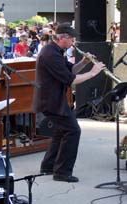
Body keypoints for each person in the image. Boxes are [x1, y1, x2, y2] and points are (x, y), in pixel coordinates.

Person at [33, 23, 105, 182]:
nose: (74, 40)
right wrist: (93, 72)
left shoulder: (55, 51)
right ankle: (62, 172)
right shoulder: (50, 54)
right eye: (71, 37)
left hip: (54, 99)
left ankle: (48, 166)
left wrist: (84, 63)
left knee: (61, 131)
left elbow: (70, 70)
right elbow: (70, 79)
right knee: (73, 131)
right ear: (62, 38)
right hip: (50, 101)